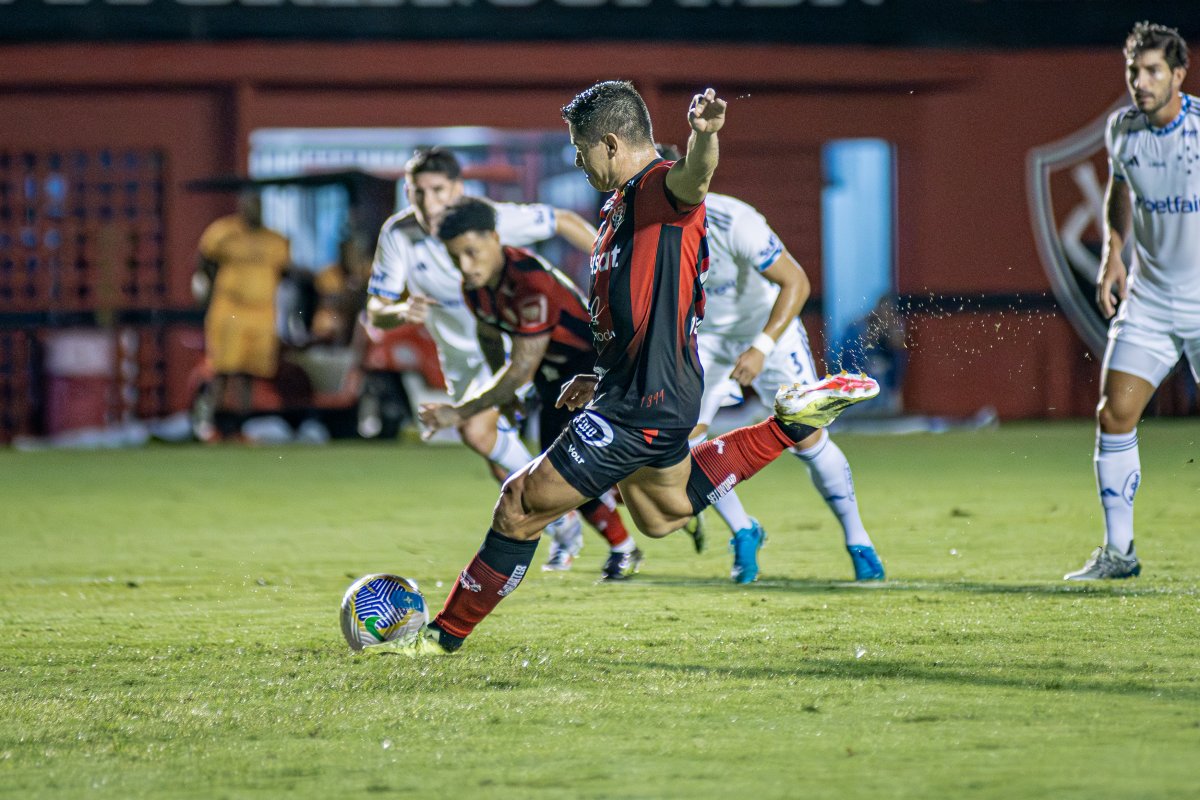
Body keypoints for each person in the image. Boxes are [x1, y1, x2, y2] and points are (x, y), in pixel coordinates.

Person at [411, 81, 878, 655]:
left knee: (519, 503)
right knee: (664, 515)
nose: (578, 162)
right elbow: (630, 308)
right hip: (645, 386)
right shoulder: (618, 206)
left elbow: (695, 180)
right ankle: (790, 426)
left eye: (580, 150)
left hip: (647, 398)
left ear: (609, 143)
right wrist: (603, 373)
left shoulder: (659, 189)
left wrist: (704, 137)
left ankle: (442, 637)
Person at [366, 147, 638, 574]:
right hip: (474, 362)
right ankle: (570, 523)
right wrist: (401, 311)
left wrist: (619, 267)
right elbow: (379, 308)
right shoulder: (400, 237)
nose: (428, 201)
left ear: (457, 189)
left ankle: (587, 517)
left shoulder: (488, 223)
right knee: (506, 464)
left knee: (501, 441)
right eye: (417, 192)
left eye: (437, 190)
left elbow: (564, 221)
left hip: (543, 356)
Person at [654, 143, 885, 583]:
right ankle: (743, 530)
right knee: (679, 444)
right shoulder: (644, 231)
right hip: (706, 340)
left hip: (768, 332)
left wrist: (760, 346)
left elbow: (796, 282)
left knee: (808, 437)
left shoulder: (733, 220)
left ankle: (858, 539)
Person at [1066, 21, 1197, 581]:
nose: (1140, 83)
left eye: (1152, 72)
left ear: (1180, 74)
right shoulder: (1122, 129)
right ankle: (1119, 553)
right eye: (1133, 72)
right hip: (1150, 302)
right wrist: (1113, 253)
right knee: (1115, 414)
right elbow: (1120, 187)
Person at [192, 189, 291, 441]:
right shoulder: (223, 233)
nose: (253, 210)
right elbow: (204, 262)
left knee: (249, 372)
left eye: (257, 205)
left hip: (260, 313)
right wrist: (209, 291)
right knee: (222, 369)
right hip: (230, 310)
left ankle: (240, 427)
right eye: (248, 204)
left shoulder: (275, 240)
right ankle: (213, 426)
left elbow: (285, 272)